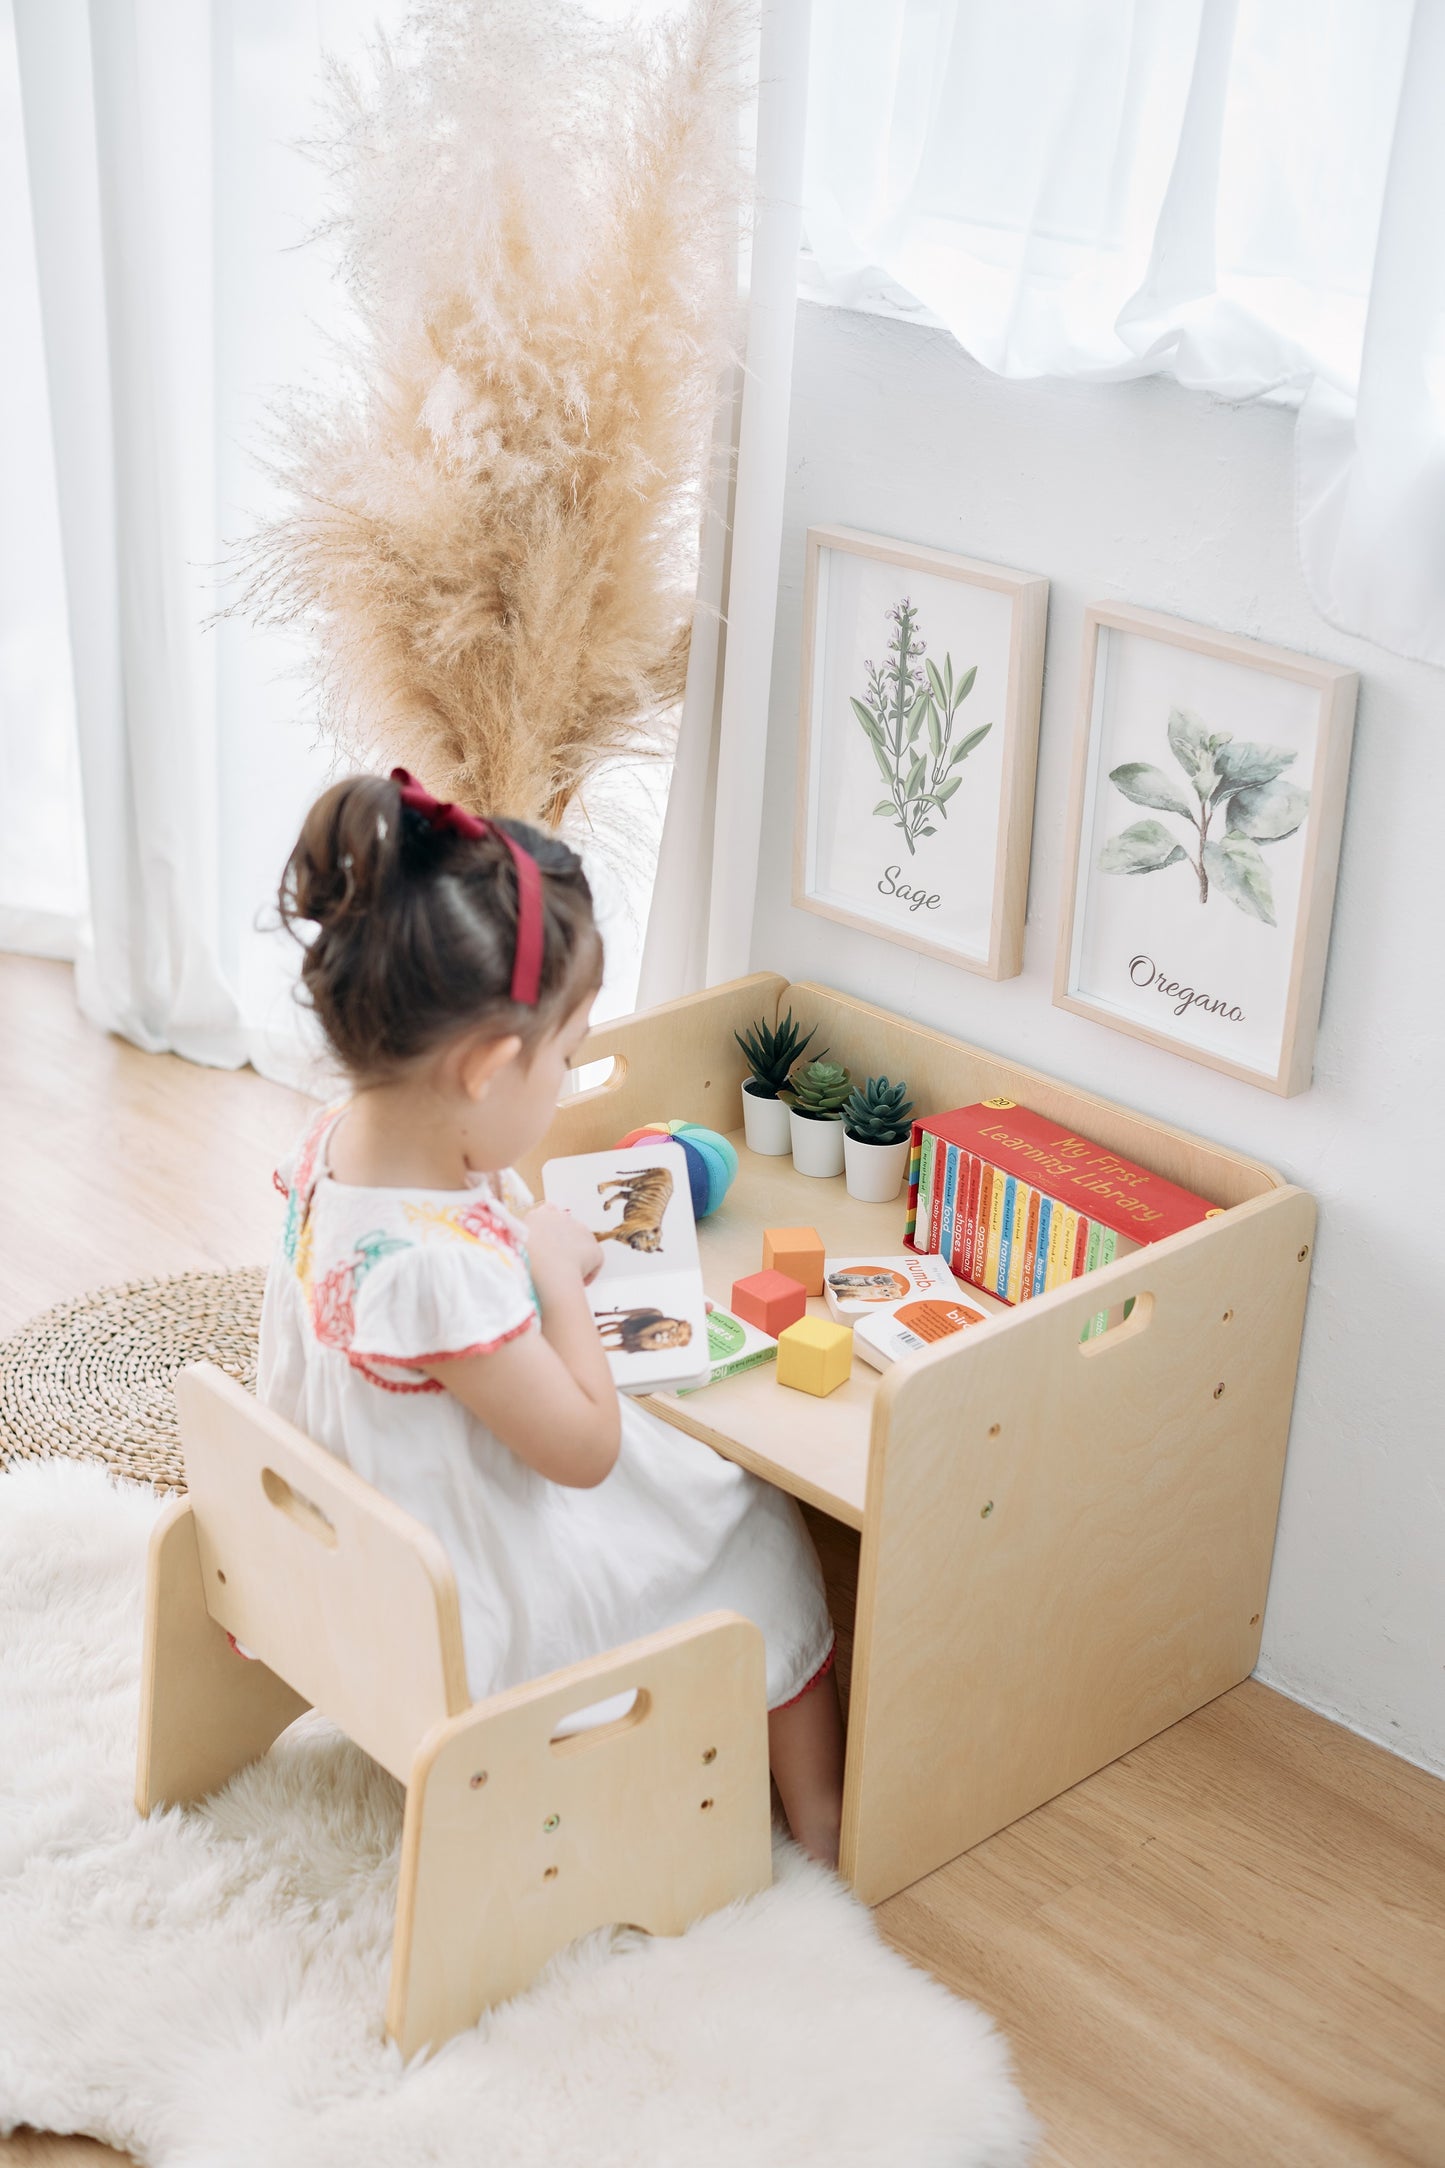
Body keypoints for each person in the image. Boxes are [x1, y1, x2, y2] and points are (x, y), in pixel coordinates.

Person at [258, 769, 844, 1863]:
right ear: (485, 1068)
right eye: (567, 1057)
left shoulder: (333, 1146)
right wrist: (553, 1274)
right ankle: (818, 1824)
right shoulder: (440, 1276)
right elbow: (582, 1447)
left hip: (361, 1538)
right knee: (747, 1509)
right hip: (472, 1603)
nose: (570, 1080)